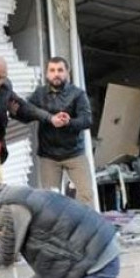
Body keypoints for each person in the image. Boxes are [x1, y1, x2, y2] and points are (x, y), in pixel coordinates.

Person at [0, 57, 54, 174]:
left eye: (3, 77)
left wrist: (49, 117)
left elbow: (22, 107)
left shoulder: (4, 86)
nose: (0, 82)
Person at [28, 57, 94, 206]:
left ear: (67, 73)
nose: (56, 74)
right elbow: (26, 111)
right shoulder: (39, 94)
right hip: (49, 155)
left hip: (74, 153)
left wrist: (69, 122)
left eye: (60, 70)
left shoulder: (78, 94)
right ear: (46, 74)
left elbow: (87, 120)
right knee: (50, 201)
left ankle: (86, 222)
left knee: (86, 195)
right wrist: (49, 118)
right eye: (52, 70)